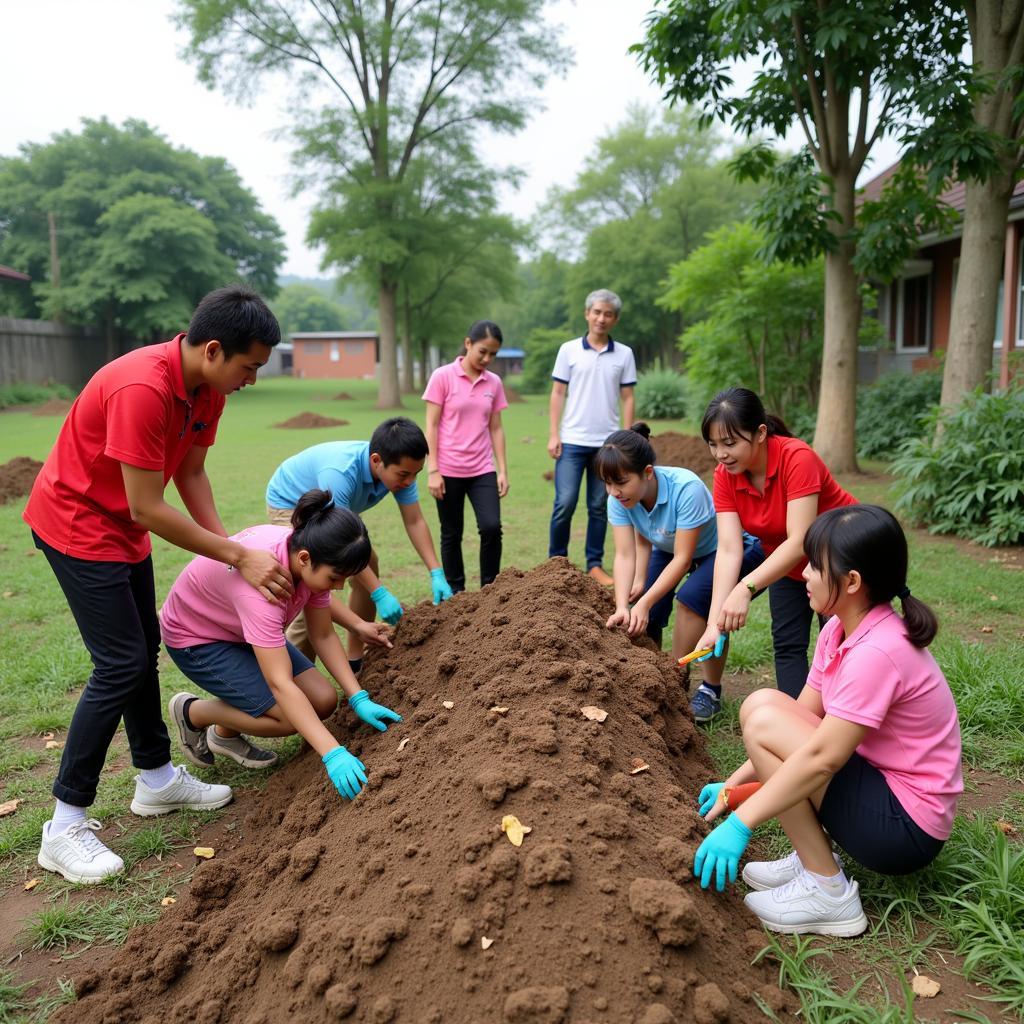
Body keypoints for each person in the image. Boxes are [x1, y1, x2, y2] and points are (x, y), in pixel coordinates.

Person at [25, 285, 290, 884]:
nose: (251, 379)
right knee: (119, 664)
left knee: (141, 654)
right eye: (249, 366)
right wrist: (234, 554)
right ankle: (65, 823)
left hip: (121, 528)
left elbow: (191, 472)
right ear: (214, 349)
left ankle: (156, 780)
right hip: (75, 524)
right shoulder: (143, 386)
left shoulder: (208, 388)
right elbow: (148, 505)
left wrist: (233, 553)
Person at [692, 505, 962, 938]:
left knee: (763, 715)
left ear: (852, 581)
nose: (805, 575)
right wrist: (733, 787)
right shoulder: (839, 629)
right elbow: (796, 723)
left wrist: (740, 824)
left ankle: (829, 892)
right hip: (878, 788)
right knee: (763, 708)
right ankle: (814, 855)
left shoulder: (878, 652)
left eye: (815, 566)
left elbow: (819, 757)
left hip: (905, 828)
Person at [161, 490, 401, 794]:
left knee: (324, 700)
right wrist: (333, 753)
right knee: (289, 719)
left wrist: (358, 697)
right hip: (198, 638)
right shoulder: (262, 590)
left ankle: (224, 734)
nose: (339, 587)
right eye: (335, 578)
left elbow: (323, 634)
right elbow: (280, 683)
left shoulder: (309, 552)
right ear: (304, 559)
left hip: (238, 626)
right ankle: (193, 713)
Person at [694, 387, 857, 720]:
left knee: (844, 649)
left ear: (760, 434)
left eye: (730, 443)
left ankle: (846, 729)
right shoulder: (726, 475)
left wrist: (746, 588)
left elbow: (800, 539)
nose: (720, 454)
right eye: (713, 444)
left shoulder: (798, 458)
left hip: (840, 562)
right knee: (787, 645)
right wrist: (715, 623)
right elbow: (728, 549)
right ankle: (798, 727)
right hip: (787, 566)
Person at [597, 424, 765, 718]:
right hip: (669, 546)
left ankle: (697, 686)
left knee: (692, 602)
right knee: (643, 615)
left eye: (621, 482)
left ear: (647, 473)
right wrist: (625, 604)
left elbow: (683, 559)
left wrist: (646, 599)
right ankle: (649, 679)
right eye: (607, 484)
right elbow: (625, 554)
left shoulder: (686, 488)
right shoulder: (619, 498)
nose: (613, 491)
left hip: (725, 549)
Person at [265, 417, 453, 670]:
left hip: (335, 508)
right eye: (404, 474)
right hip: (291, 502)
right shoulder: (341, 473)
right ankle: (293, 674)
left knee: (368, 561)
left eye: (416, 474)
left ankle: (355, 658)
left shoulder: (401, 470)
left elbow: (415, 520)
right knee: (310, 584)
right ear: (376, 461)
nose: (409, 481)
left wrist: (436, 571)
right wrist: (380, 593)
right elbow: (339, 543)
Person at [548, 289, 637, 585]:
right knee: (565, 502)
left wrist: (625, 437)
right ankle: (556, 562)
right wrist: (553, 433)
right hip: (572, 440)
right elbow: (558, 393)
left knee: (600, 506)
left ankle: (595, 564)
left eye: (608, 314)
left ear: (615, 319)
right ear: (587, 313)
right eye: (597, 312)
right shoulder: (568, 350)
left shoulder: (624, 354)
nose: (601, 318)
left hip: (607, 444)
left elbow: (627, 397)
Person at [423, 320, 510, 593]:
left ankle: (490, 589)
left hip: (482, 468)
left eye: (493, 354)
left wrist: (503, 470)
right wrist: (433, 470)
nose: (487, 359)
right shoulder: (443, 376)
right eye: (482, 351)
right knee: (451, 533)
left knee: (491, 527)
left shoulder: (493, 382)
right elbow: (432, 426)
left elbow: (496, 427)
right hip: (448, 469)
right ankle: (456, 592)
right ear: (468, 343)